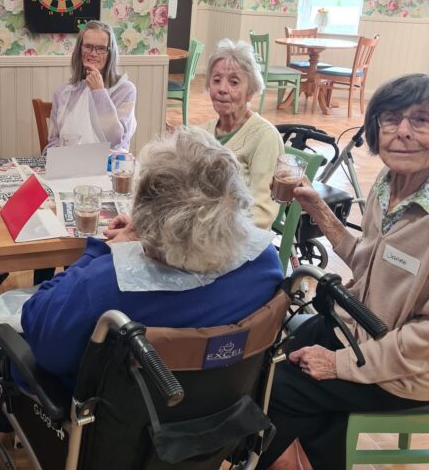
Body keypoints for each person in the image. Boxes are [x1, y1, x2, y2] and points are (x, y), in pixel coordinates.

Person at [16, 126, 285, 393]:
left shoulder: (106, 287)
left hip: (119, 428)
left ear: (146, 213)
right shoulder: (265, 263)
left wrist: (105, 250)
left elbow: (42, 335)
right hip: (222, 413)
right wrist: (153, 232)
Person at [256, 73, 429, 470]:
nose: (403, 132)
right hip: (357, 326)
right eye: (391, 119)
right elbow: (369, 262)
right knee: (262, 361)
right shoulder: (388, 187)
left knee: (275, 390)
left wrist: (341, 364)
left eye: (421, 120)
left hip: (404, 368)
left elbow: (423, 343)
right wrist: (319, 210)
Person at [201, 39, 284, 230]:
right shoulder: (203, 133)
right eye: (216, 80)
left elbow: (262, 213)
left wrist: (213, 232)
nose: (222, 89)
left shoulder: (265, 137)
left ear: (251, 92)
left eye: (234, 82)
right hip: (201, 233)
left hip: (240, 240)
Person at [45, 20, 137, 152]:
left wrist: (99, 92)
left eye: (101, 48)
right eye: (88, 47)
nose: (93, 54)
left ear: (110, 53)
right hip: (69, 166)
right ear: (79, 50)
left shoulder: (125, 90)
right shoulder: (62, 92)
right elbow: (53, 141)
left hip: (109, 168)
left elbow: (115, 141)